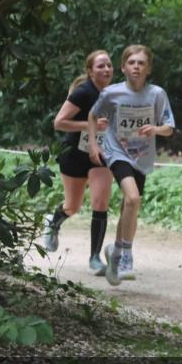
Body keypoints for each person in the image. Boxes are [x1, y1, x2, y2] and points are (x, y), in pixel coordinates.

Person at [88, 44, 174, 286]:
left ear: (148, 69)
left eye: (141, 63)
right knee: (133, 198)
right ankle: (126, 255)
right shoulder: (111, 94)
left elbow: (169, 126)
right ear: (124, 67)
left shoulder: (157, 94)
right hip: (117, 152)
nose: (136, 66)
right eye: (132, 62)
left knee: (130, 204)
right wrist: (94, 144)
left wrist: (155, 129)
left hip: (142, 157)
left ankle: (115, 253)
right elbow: (93, 115)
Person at [42, 50, 115, 276]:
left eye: (109, 65)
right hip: (74, 154)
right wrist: (89, 125)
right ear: (90, 71)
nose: (106, 70)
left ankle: (94, 258)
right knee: (72, 206)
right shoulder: (83, 92)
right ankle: (54, 222)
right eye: (101, 66)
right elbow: (59, 123)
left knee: (100, 202)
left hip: (101, 155)